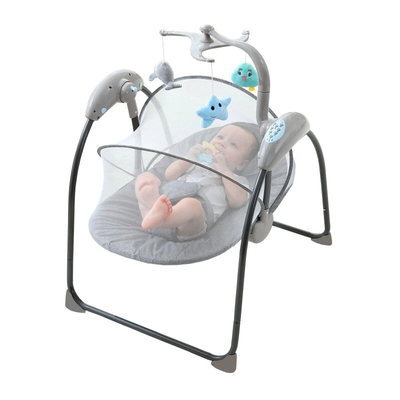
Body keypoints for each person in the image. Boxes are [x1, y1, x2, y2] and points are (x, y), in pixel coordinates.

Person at [135, 123, 259, 241]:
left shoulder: (236, 180)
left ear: (241, 164)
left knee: (192, 204)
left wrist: (224, 170)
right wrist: (189, 159)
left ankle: (162, 219)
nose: (221, 143)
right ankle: (152, 207)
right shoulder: (196, 162)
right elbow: (169, 176)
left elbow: (237, 202)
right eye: (220, 137)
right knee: (145, 177)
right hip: (163, 203)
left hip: (186, 226)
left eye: (233, 144)